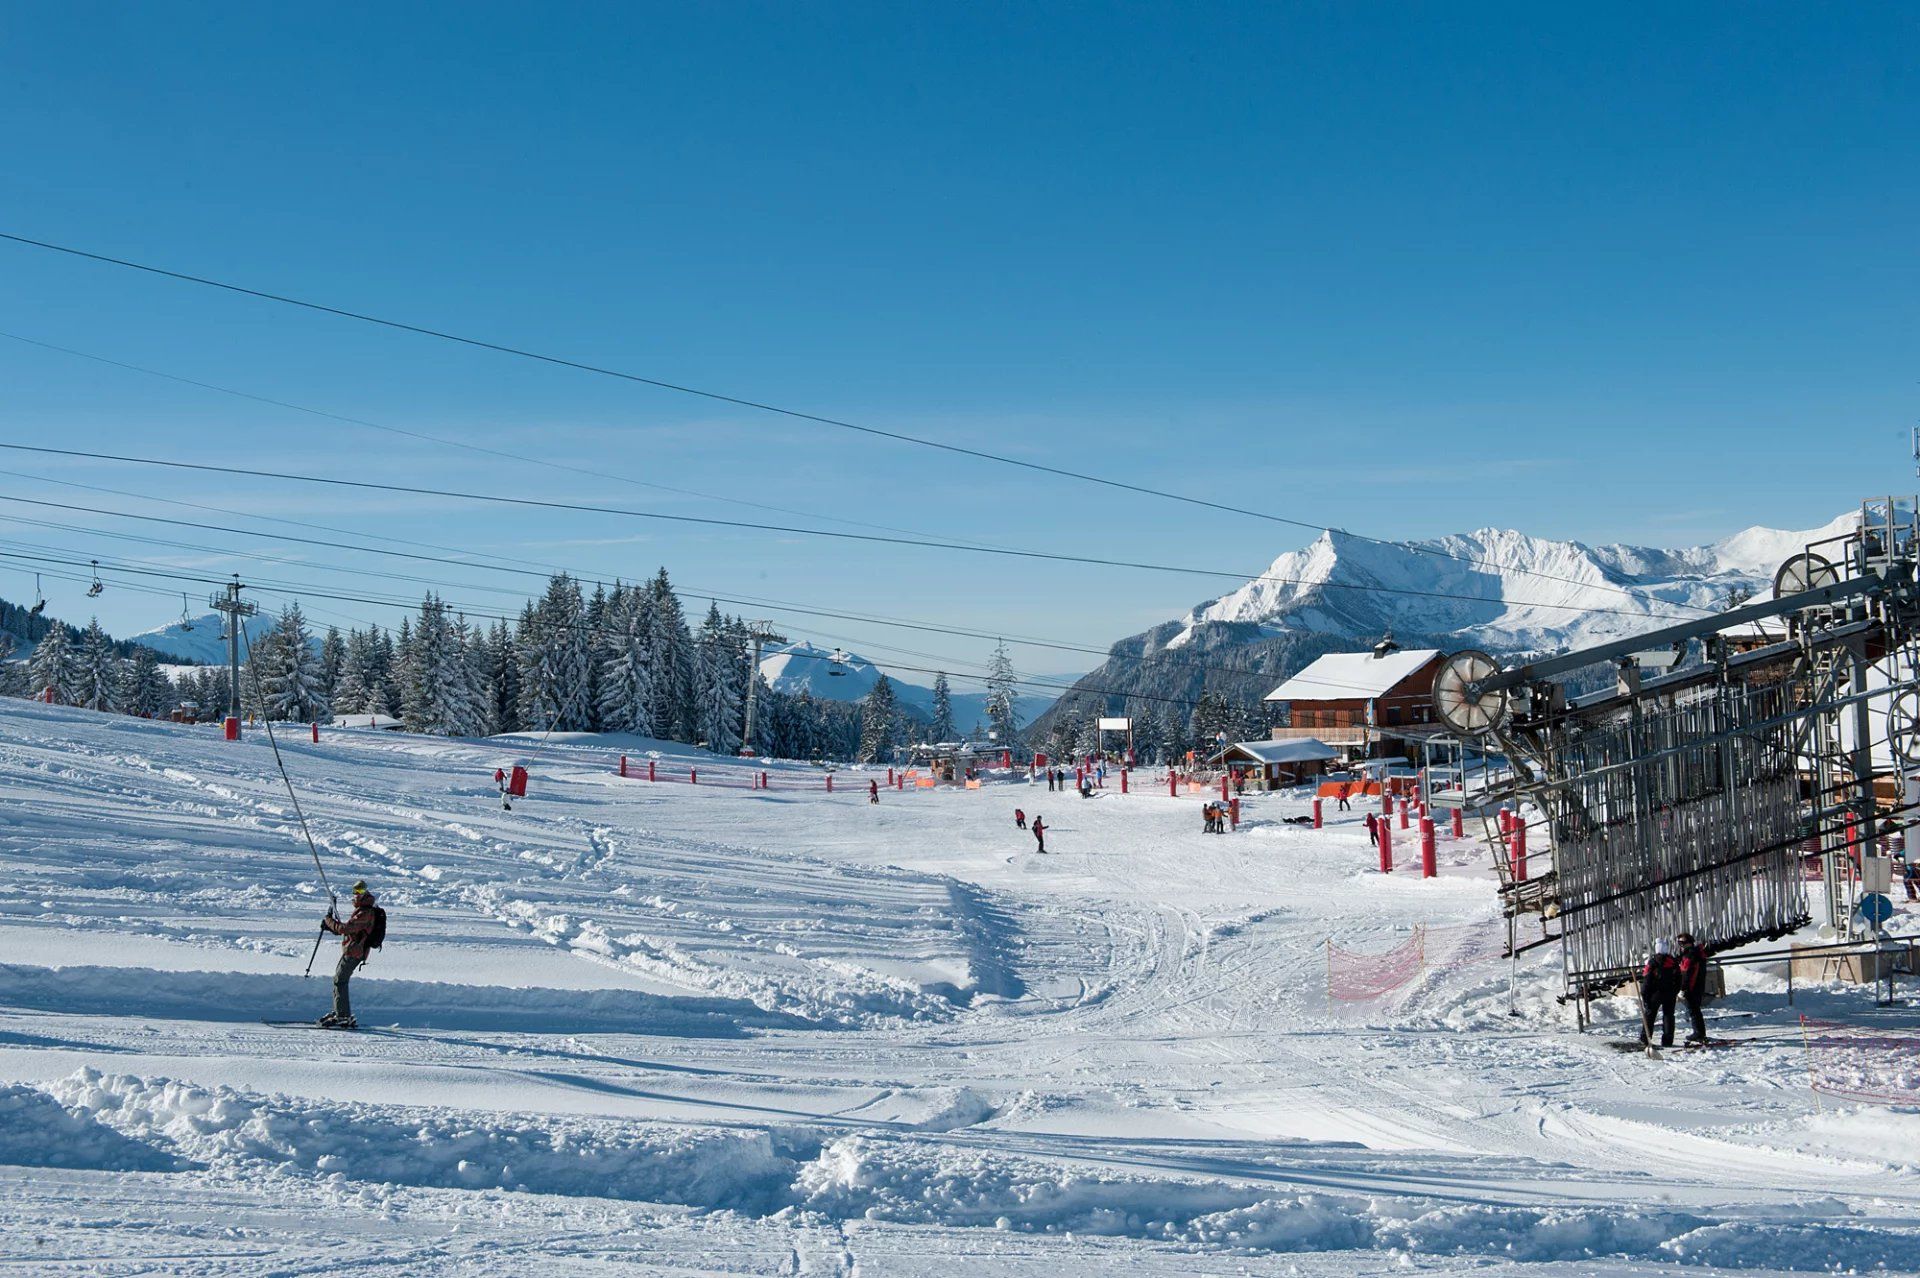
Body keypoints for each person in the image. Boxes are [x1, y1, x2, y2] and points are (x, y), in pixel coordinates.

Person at [320, 881, 379, 1029]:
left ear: (365, 893)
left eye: (360, 890)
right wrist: (331, 927)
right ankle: (339, 1012)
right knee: (338, 979)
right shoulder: (362, 910)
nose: (357, 894)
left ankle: (343, 1016)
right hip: (351, 949)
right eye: (355, 890)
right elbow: (351, 931)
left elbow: (346, 929)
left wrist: (329, 921)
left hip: (355, 952)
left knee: (340, 981)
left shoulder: (365, 912)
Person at [1639, 937, 1682, 1048]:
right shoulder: (1672, 962)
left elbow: (1647, 980)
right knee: (1668, 1015)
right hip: (1670, 993)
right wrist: (1675, 991)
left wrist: (1644, 995)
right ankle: (1668, 1039)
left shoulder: (1653, 962)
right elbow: (1679, 978)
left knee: (1650, 1015)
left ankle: (1645, 1038)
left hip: (1655, 994)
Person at [1675, 931, 1710, 1046]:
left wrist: (1683, 989)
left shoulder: (1691, 955)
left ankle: (1698, 1033)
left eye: (1683, 943)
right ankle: (1700, 1032)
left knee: (1693, 1010)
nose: (1681, 946)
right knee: (1695, 1011)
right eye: (1679, 943)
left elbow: (1688, 974)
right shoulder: (1697, 953)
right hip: (1697, 986)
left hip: (1692, 987)